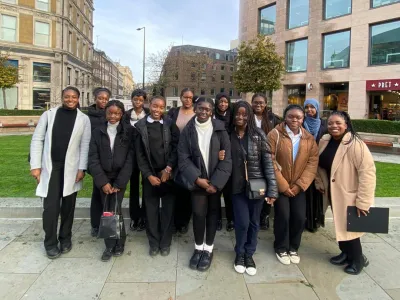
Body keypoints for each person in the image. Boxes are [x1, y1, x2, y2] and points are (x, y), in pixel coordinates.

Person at [30, 86, 91, 259]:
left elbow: (85, 145)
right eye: (67, 96)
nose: (70, 99)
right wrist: (35, 166)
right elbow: (37, 139)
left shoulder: (83, 119)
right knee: (50, 208)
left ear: (78, 99)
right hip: (51, 167)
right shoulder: (49, 115)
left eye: (74, 97)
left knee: (68, 207)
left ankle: (65, 238)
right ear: (62, 97)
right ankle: (50, 242)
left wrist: (82, 168)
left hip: (71, 168)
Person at [315, 111, 375, 275]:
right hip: (333, 193)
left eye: (338, 123)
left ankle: (358, 260)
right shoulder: (326, 141)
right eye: (330, 123)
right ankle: (346, 253)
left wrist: (364, 201)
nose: (333, 126)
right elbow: (319, 165)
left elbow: (367, 173)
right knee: (340, 225)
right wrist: (319, 182)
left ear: (346, 125)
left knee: (352, 229)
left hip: (350, 194)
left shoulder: (355, 143)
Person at [177, 97, 232, 272]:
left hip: (215, 182)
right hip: (198, 182)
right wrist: (197, 179)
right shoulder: (188, 130)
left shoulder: (220, 129)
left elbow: (227, 159)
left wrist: (214, 184)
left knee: (212, 215)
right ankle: (198, 247)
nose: (203, 112)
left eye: (207, 109)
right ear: (195, 108)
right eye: (200, 108)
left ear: (212, 111)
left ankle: (208, 249)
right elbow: (183, 157)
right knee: (199, 215)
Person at [230, 101, 278, 276]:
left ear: (249, 116)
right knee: (242, 222)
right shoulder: (228, 135)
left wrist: (272, 190)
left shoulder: (258, 135)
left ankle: (250, 253)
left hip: (256, 187)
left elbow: (268, 164)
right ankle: (240, 252)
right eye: (237, 113)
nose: (240, 117)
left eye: (244, 114)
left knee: (254, 222)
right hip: (236, 188)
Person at [267, 104, 318, 265]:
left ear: (303, 119)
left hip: (298, 186)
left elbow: (312, 163)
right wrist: (283, 185)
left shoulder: (309, 138)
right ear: (285, 117)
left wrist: (299, 185)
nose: (294, 120)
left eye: (298, 117)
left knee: (299, 217)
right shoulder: (275, 134)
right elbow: (269, 159)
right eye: (291, 116)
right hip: (280, 185)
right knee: (283, 215)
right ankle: (281, 247)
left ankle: (293, 247)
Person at [88, 100, 133, 262]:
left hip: (119, 177)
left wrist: (119, 183)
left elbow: (130, 159)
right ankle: (109, 245)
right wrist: (103, 182)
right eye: (110, 113)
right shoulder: (97, 131)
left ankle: (119, 242)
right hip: (103, 177)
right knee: (107, 210)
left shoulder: (129, 131)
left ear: (122, 114)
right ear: (105, 113)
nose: (113, 116)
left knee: (116, 208)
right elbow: (92, 158)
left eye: (117, 113)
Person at [135, 95, 180, 257]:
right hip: (150, 176)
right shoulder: (140, 126)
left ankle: (165, 242)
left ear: (164, 108)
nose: (157, 110)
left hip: (167, 174)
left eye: (161, 107)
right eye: (155, 106)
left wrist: (168, 169)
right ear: (149, 105)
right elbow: (139, 154)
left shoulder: (169, 124)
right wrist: (148, 175)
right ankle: (153, 242)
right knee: (151, 210)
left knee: (168, 209)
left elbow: (176, 147)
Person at [168, 88, 196, 234]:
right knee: (174, 189)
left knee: (187, 189)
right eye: (185, 97)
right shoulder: (173, 113)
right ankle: (174, 220)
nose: (188, 100)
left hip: (190, 157)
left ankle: (184, 221)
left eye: (190, 98)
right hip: (174, 155)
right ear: (180, 97)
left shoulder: (197, 113)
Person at [251, 93, 281, 230]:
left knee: (268, 185)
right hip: (252, 157)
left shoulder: (272, 118)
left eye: (261, 103)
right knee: (256, 186)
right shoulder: (248, 116)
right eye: (256, 102)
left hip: (268, 156)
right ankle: (255, 215)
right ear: (252, 103)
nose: (258, 105)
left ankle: (265, 215)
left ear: (266, 104)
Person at [123, 89, 149, 232]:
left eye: (140, 100)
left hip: (145, 155)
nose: (138, 102)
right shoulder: (126, 115)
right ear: (132, 99)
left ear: (144, 101)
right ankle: (134, 217)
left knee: (146, 186)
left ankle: (144, 216)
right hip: (131, 156)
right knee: (133, 187)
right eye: (135, 99)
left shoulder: (149, 114)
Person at [88, 87, 111, 237]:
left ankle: (108, 224)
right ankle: (95, 224)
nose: (103, 101)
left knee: (109, 195)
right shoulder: (87, 117)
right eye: (100, 98)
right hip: (95, 160)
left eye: (105, 99)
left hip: (110, 160)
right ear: (95, 98)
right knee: (97, 193)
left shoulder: (111, 114)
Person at [303, 98, 328, 232]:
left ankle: (315, 221)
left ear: (317, 108)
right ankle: (305, 220)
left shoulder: (323, 125)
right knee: (305, 194)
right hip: (303, 165)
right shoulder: (301, 123)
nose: (309, 110)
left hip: (318, 166)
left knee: (317, 193)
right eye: (307, 107)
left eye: (312, 107)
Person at [214, 92, 234, 232]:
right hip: (215, 154)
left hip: (230, 154)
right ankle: (217, 219)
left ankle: (230, 219)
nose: (223, 104)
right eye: (220, 101)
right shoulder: (212, 115)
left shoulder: (232, 115)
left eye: (225, 102)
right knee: (216, 189)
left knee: (229, 190)